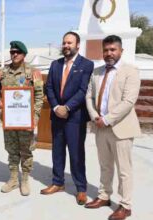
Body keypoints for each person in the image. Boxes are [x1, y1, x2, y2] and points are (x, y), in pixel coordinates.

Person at [85, 35, 141, 220]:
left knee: (124, 169)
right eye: (106, 50)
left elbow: (128, 101)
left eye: (112, 50)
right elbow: (89, 97)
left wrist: (107, 119)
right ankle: (104, 196)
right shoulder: (97, 72)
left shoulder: (130, 71)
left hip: (120, 128)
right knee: (105, 165)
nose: (109, 53)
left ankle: (125, 205)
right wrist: (95, 116)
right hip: (100, 127)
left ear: (121, 51)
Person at [42, 31, 94, 205]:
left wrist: (68, 107)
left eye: (69, 43)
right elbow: (48, 87)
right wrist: (56, 107)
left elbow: (83, 90)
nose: (66, 46)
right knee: (57, 151)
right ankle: (58, 183)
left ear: (78, 45)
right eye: (64, 43)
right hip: (57, 115)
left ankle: (81, 188)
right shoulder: (55, 64)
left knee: (76, 153)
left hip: (75, 117)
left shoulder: (86, 64)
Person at [0, 41, 43, 196]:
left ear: (24, 54)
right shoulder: (2, 72)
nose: (14, 55)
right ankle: (13, 179)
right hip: (9, 120)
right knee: (12, 150)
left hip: (26, 121)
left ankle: (25, 179)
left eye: (18, 52)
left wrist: (35, 118)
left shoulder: (32, 73)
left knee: (26, 151)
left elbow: (39, 97)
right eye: (12, 52)